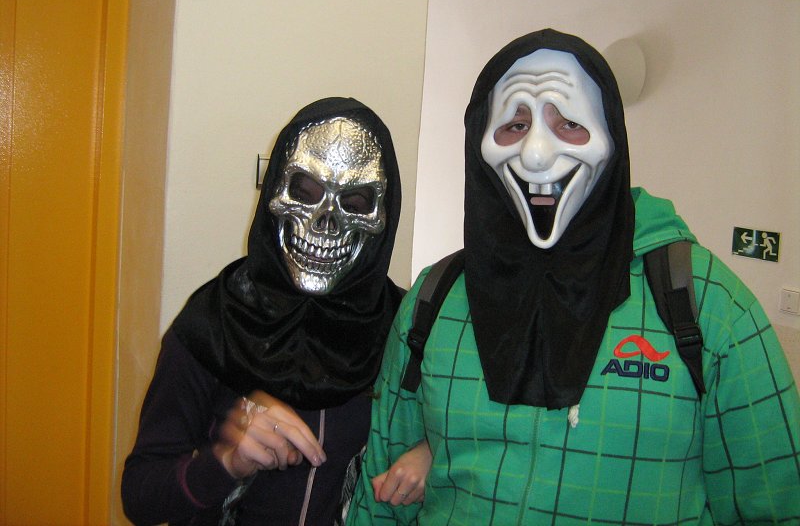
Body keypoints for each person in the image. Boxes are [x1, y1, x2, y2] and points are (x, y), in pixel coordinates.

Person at [347, 29, 800, 524]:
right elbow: (381, 493)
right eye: (514, 125)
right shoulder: (435, 301)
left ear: (611, 140)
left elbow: (776, 504)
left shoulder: (706, 304)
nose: (537, 154)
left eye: (569, 124)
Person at [122, 97, 426, 525]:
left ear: (383, 214)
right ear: (274, 194)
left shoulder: (407, 329)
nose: (325, 223)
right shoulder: (215, 321)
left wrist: (433, 454)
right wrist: (226, 461)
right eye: (304, 193)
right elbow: (140, 496)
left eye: (355, 203)